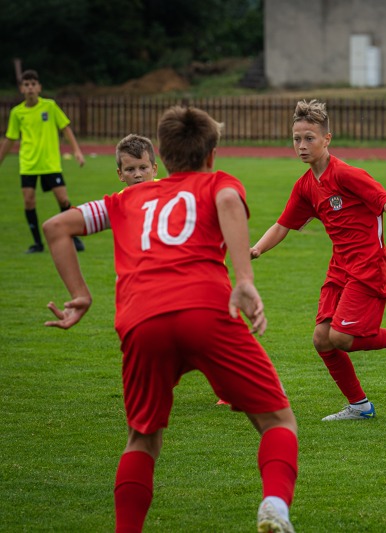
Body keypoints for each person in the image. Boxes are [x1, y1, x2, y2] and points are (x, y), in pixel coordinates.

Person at [41, 106, 298, 532]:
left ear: (161, 156)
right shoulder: (217, 182)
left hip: (141, 320)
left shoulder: (124, 199)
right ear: (210, 154)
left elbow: (55, 227)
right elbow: (228, 201)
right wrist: (244, 280)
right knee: (277, 420)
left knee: (142, 439)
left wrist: (81, 295)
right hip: (206, 311)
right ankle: (273, 505)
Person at [251, 99, 386, 421]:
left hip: (368, 266)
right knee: (322, 339)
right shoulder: (305, 186)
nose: (301, 145)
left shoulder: (347, 174)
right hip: (339, 268)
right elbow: (282, 225)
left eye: (309, 138)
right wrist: (255, 249)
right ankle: (360, 406)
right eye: (296, 139)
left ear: (327, 139)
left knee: (341, 338)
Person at [0, 69, 85, 254]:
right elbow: (10, 138)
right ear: (21, 89)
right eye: (26, 85)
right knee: (29, 201)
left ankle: (74, 237)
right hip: (28, 164)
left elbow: (65, 128)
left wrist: (77, 151)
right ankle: (37, 244)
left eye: (33, 84)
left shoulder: (50, 106)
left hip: (50, 163)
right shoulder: (17, 113)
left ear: (39, 87)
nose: (30, 88)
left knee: (63, 199)